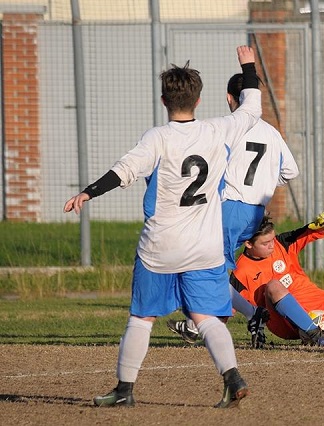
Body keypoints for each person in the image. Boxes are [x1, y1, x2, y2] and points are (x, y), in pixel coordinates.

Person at [63, 46, 261, 408]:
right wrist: (248, 66)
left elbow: (123, 171)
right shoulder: (218, 130)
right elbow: (251, 108)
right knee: (205, 317)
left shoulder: (157, 137)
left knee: (142, 317)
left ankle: (124, 391)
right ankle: (233, 378)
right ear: (198, 100)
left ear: (163, 100)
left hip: (160, 248)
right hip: (205, 248)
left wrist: (88, 192)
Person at [167, 73, 299, 348]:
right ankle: (227, 317)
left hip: (230, 207)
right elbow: (290, 171)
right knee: (209, 265)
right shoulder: (271, 132)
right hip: (255, 213)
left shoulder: (231, 128)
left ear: (230, 98)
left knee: (205, 265)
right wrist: (264, 182)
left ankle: (208, 321)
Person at [231, 213, 324, 346]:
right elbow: (226, 303)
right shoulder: (241, 272)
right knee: (274, 285)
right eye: (265, 243)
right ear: (248, 244)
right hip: (283, 320)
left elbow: (310, 232)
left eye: (272, 239)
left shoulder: (282, 243)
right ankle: (314, 334)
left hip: (314, 299)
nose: (272, 245)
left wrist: (321, 226)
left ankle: (320, 338)